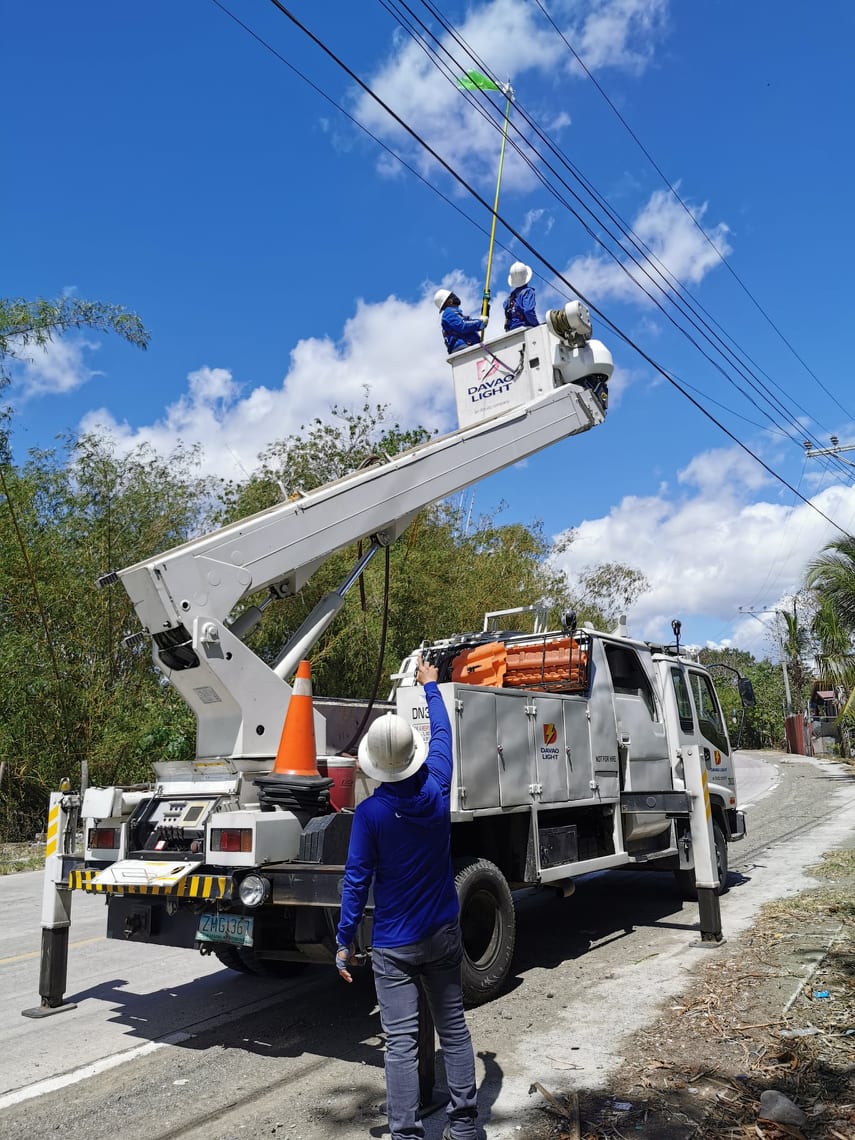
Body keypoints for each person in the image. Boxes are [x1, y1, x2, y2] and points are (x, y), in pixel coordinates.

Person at [336, 656, 478, 1140]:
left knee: (400, 1044)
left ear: (375, 764)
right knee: (454, 1029)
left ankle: (406, 1133)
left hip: (394, 946)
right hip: (441, 934)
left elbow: (356, 881)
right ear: (413, 757)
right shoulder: (437, 791)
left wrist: (343, 940)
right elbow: (443, 736)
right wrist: (431, 688)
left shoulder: (371, 814)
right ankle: (464, 1128)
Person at [434, 288, 487, 354]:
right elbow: (463, 326)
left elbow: (470, 325)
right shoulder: (449, 312)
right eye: (453, 295)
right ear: (449, 301)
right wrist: (480, 322)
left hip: (468, 346)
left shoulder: (452, 314)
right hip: (463, 348)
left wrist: (485, 310)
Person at [503, 261, 538, 331]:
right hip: (526, 329)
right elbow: (528, 311)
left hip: (512, 331)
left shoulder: (510, 298)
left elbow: (505, 307)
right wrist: (536, 325)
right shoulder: (528, 292)